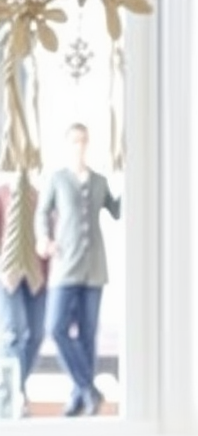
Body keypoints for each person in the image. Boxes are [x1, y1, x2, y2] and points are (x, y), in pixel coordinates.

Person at [35, 122, 120, 416]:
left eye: (83, 140)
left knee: (87, 335)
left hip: (94, 267)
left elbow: (117, 211)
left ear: (89, 143)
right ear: (67, 144)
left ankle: (79, 398)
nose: (79, 146)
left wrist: (130, 181)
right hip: (64, 265)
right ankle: (89, 389)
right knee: (55, 327)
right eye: (74, 141)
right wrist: (43, 238)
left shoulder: (99, 181)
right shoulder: (56, 179)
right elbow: (41, 212)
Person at [0, 169, 47, 414]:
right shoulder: (3, 194)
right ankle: (14, 395)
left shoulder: (40, 195)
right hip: (9, 275)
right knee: (13, 334)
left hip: (37, 276)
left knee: (37, 334)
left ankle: (15, 386)